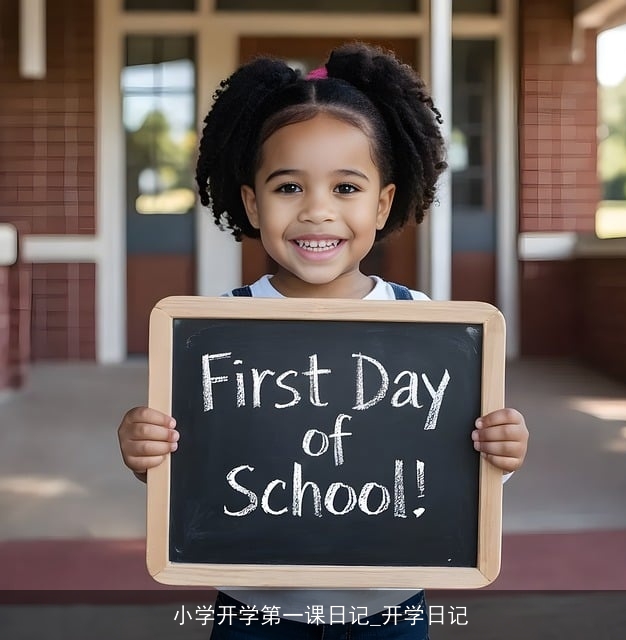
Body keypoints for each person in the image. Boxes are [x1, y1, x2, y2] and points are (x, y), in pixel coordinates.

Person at [118, 42, 529, 639]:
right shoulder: (212, 331)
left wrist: (502, 451)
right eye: (288, 188)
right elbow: (192, 463)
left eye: (345, 188)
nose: (316, 211)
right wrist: (142, 450)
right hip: (253, 609)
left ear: (384, 203)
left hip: (390, 607)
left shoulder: (432, 329)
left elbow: (454, 463)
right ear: (252, 203)